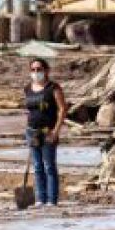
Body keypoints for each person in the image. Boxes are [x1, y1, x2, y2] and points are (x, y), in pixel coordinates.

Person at [24, 58, 67, 208]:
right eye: (33, 70)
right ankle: (40, 199)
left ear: (46, 70)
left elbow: (62, 109)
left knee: (49, 166)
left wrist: (56, 131)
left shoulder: (53, 88)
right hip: (32, 131)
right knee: (37, 166)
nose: (36, 72)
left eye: (39, 69)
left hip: (48, 131)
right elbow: (29, 109)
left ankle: (51, 200)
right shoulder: (28, 88)